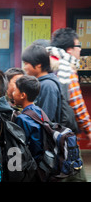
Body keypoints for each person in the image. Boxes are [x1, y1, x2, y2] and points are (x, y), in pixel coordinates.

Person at [49, 27, 91, 182]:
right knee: (75, 176)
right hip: (67, 133)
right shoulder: (67, 68)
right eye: (78, 46)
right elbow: (77, 104)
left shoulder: (48, 63)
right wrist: (88, 128)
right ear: (69, 49)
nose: (80, 50)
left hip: (50, 132)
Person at [22, 43, 62, 122]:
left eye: (26, 64)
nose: (24, 67)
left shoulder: (48, 85)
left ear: (38, 65)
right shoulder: (41, 82)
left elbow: (46, 118)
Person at [13, 75, 44, 164]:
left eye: (15, 90)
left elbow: (20, 148)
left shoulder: (21, 119)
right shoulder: (39, 110)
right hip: (42, 160)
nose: (13, 93)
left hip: (32, 164)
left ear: (23, 95)